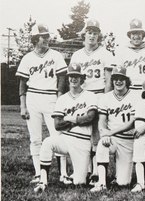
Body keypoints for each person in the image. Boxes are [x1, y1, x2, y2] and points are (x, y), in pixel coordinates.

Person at [15, 23, 68, 184]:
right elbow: (23, 83)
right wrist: (23, 105)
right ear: (35, 39)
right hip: (33, 98)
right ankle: (38, 173)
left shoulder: (56, 55)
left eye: (47, 36)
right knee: (35, 138)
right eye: (43, 37)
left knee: (58, 136)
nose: (46, 39)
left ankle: (63, 174)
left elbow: (61, 78)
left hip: (51, 97)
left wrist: (59, 99)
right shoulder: (28, 58)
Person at [33, 63, 97, 192]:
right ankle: (43, 181)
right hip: (66, 139)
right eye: (71, 76)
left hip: (82, 141)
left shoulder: (90, 95)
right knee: (47, 142)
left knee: (79, 182)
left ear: (82, 78)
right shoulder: (62, 99)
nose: (74, 79)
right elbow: (57, 125)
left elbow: (90, 117)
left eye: (77, 76)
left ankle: (80, 174)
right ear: (68, 78)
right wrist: (79, 119)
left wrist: (69, 119)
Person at [70, 19, 114, 185]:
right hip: (83, 96)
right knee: (83, 131)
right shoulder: (77, 55)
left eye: (95, 32)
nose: (92, 35)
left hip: (99, 94)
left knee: (97, 132)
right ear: (84, 34)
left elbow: (108, 78)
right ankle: (86, 169)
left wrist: (106, 98)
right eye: (89, 32)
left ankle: (96, 171)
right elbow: (73, 79)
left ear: (99, 35)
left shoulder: (106, 53)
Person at [90, 66, 136, 192]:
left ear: (127, 80)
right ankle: (102, 183)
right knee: (101, 145)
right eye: (115, 78)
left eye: (122, 79)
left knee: (123, 183)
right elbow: (102, 120)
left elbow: (132, 123)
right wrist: (104, 134)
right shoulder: (106, 97)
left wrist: (109, 132)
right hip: (113, 139)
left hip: (128, 140)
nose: (118, 81)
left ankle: (119, 177)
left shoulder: (135, 97)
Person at [115, 18, 145, 91]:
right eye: (133, 33)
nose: (136, 36)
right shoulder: (122, 52)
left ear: (143, 35)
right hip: (127, 91)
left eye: (139, 33)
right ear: (129, 35)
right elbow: (117, 77)